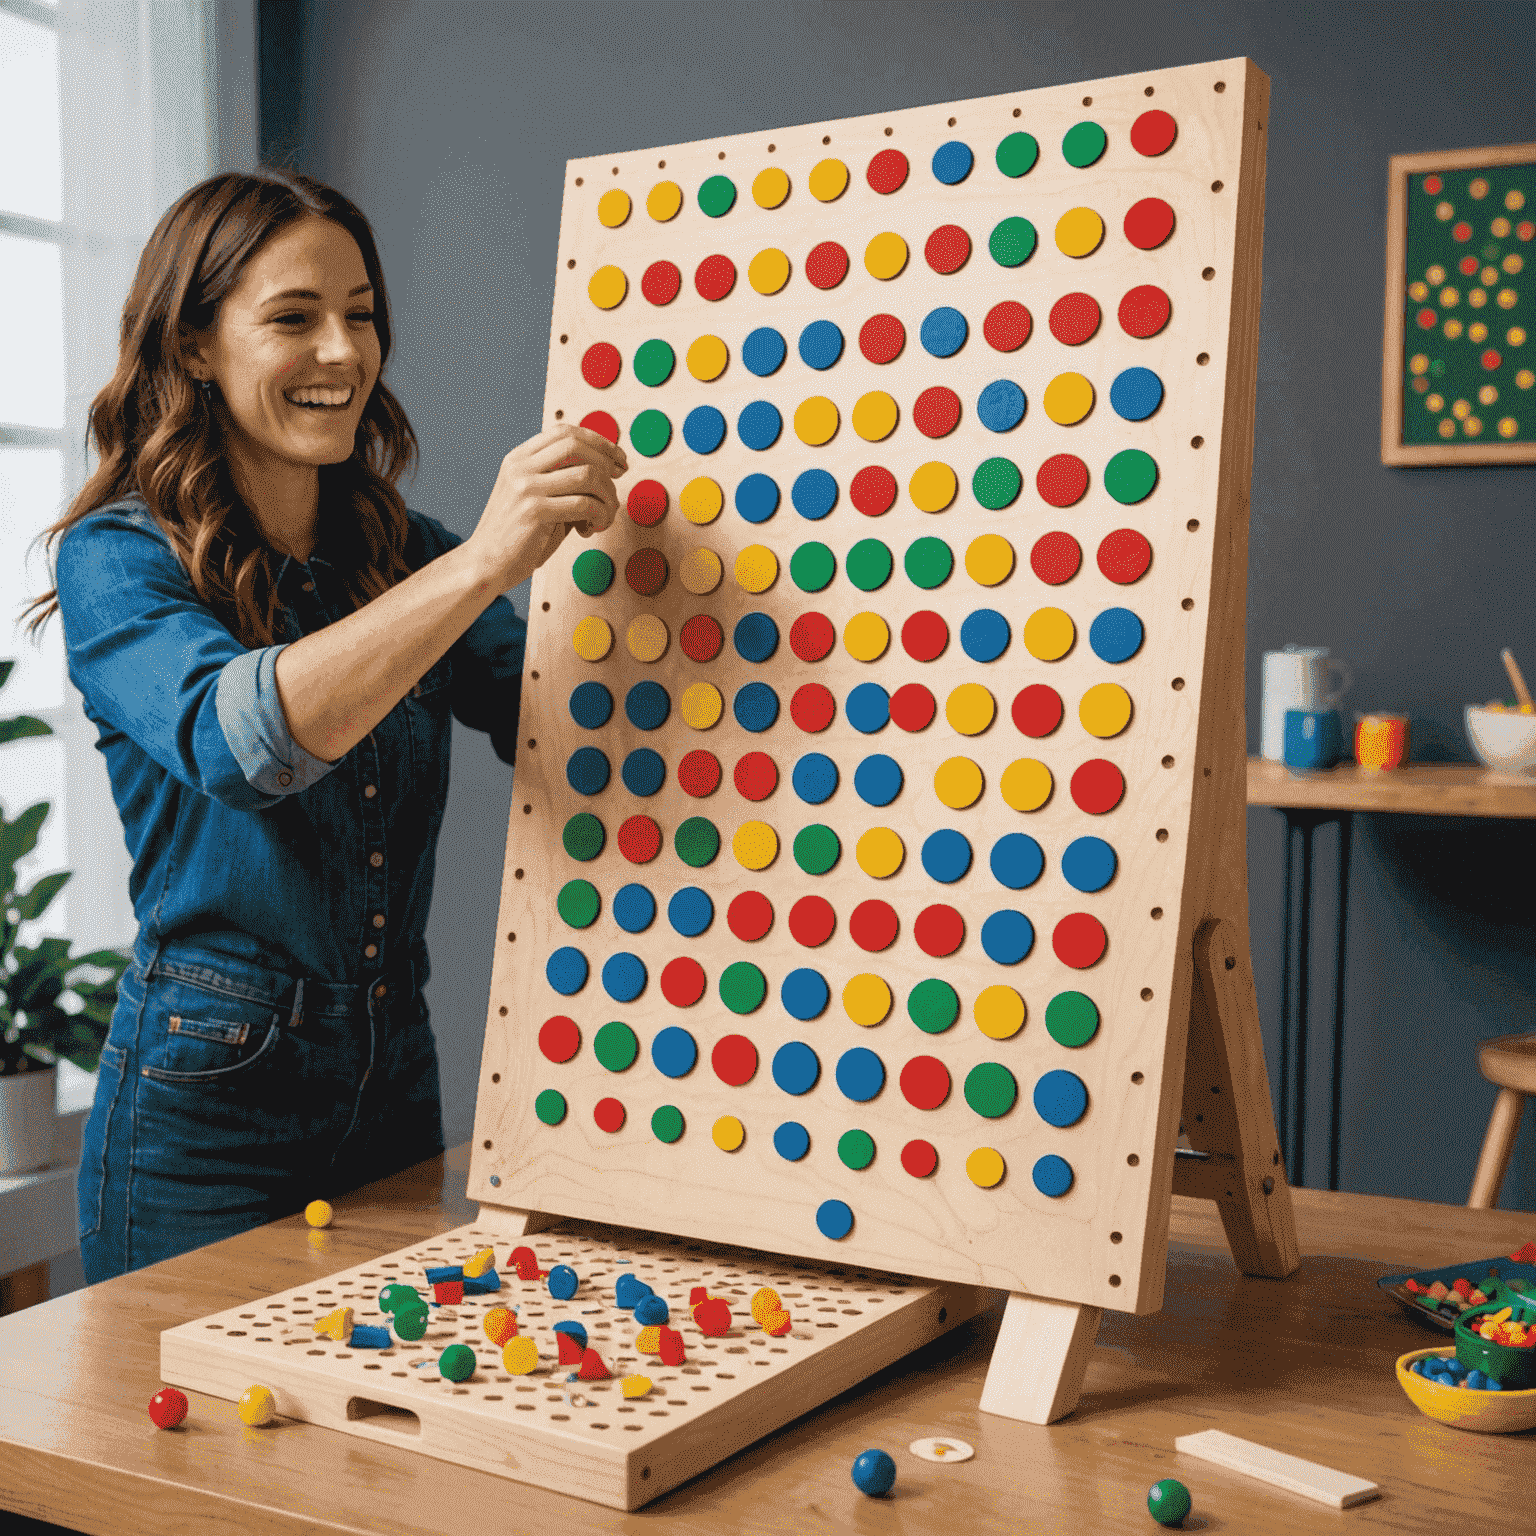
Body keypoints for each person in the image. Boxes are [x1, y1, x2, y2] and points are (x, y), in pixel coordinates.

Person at [22, 166, 626, 1283]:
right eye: (294, 318)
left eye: (360, 315)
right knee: (182, 1453)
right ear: (196, 344)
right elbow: (243, 743)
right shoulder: (117, 557)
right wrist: (492, 560)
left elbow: (573, 719)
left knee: (367, 1454)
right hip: (201, 1115)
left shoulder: (408, 555)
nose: (343, 353)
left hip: (396, 1082)